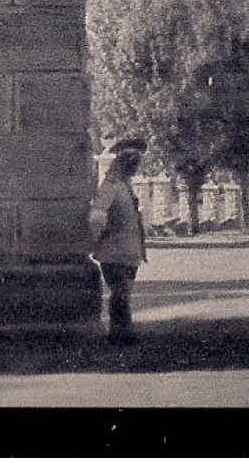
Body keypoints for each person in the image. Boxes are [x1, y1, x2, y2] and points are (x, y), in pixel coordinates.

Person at [90, 137, 148, 344]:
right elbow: (98, 216)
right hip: (113, 250)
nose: (135, 167)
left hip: (129, 251)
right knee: (120, 292)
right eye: (132, 163)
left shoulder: (125, 185)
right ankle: (119, 334)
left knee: (124, 292)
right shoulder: (111, 186)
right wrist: (95, 240)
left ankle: (124, 332)